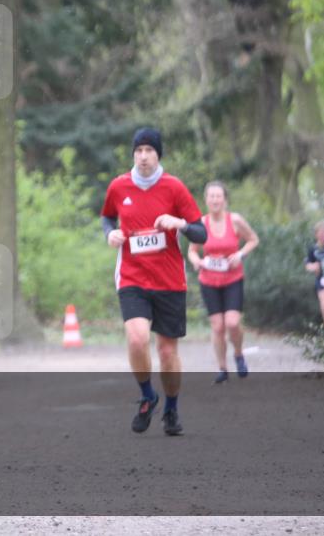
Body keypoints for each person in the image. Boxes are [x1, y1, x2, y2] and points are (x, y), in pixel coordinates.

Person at [101, 128, 206, 436]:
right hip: (132, 276)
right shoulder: (119, 186)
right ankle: (148, 395)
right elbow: (107, 216)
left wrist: (180, 223)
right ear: (133, 154)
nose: (143, 156)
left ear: (158, 154)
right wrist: (109, 233)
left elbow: (202, 233)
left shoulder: (174, 188)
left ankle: (171, 409)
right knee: (136, 338)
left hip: (169, 279)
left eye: (149, 150)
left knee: (167, 352)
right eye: (139, 150)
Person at [187, 181, 259, 384]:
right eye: (211, 196)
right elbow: (192, 251)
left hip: (232, 278)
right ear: (206, 200)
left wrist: (240, 254)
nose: (215, 200)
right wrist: (197, 261)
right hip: (209, 280)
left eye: (219, 196)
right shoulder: (200, 223)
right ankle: (222, 368)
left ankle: (238, 354)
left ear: (225, 199)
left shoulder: (235, 220)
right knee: (217, 326)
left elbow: (253, 239)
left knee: (233, 323)